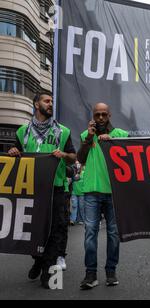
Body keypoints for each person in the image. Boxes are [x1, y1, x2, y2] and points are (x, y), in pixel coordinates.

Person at [8, 91, 76, 289]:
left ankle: (48, 272)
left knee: (55, 230)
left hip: (56, 189)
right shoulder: (22, 131)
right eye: (47, 101)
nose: (50, 104)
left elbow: (73, 157)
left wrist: (63, 154)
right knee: (31, 230)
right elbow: (16, 153)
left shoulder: (63, 131)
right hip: (31, 189)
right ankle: (38, 259)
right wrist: (13, 152)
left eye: (51, 101)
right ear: (36, 104)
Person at [77, 102, 129, 290]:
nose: (100, 118)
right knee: (90, 233)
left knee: (113, 234)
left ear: (109, 115)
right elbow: (80, 159)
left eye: (103, 114)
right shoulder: (86, 135)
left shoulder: (121, 135)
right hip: (91, 191)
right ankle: (90, 274)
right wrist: (89, 138)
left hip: (114, 192)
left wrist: (113, 144)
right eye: (97, 114)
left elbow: (130, 159)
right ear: (93, 115)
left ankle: (110, 271)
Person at [70, 161, 85, 226]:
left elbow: (78, 178)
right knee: (74, 206)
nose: (77, 165)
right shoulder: (72, 172)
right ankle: (72, 220)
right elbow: (74, 178)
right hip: (74, 192)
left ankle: (81, 219)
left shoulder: (84, 172)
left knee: (81, 207)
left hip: (82, 192)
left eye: (79, 164)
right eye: (76, 164)